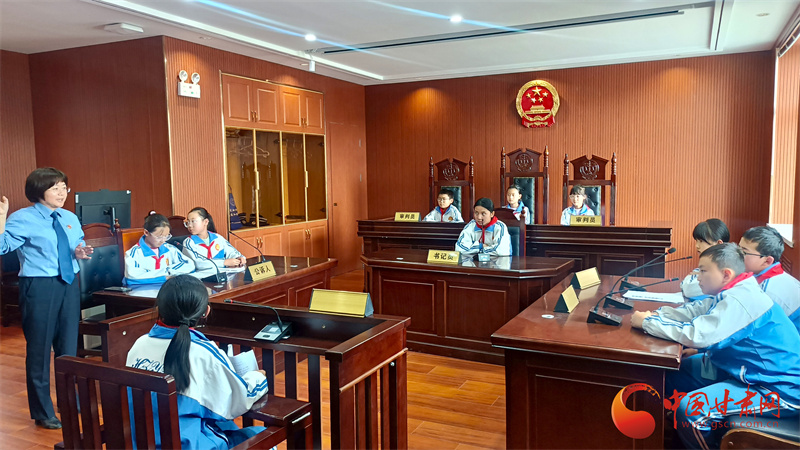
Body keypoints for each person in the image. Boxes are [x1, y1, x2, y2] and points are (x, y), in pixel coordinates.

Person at [630, 243, 800, 450]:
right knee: (671, 374)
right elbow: (695, 311)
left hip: (776, 390)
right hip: (746, 373)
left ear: (726, 274)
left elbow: (697, 335)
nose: (697, 277)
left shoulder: (742, 300)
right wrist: (656, 315)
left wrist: (647, 323)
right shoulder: (735, 290)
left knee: (691, 410)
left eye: (703, 271)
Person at [126, 275, 269, 449]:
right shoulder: (202, 351)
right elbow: (239, 399)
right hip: (187, 444)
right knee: (262, 435)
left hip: (141, 443)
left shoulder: (139, 344)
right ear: (205, 312)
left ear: (159, 309)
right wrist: (258, 377)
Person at [0, 168, 94, 429]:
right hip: (39, 286)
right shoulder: (22, 218)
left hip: (69, 283)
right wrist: (0, 219)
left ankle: (69, 400)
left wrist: (79, 251)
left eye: (64, 187)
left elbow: (75, 244)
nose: (62, 193)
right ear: (39, 191)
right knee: (39, 350)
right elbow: (2, 247)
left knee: (68, 347)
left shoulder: (69, 217)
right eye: (55, 188)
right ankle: (42, 411)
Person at [740, 225, 800, 332]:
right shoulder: (764, 277)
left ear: (767, 261)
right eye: (738, 249)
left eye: (744, 252)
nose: (736, 255)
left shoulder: (767, 293)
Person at [124, 213, 194, 285]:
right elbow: (132, 278)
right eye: (159, 237)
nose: (163, 240)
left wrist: (169, 270)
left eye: (166, 236)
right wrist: (165, 277)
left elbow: (189, 265)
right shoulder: (133, 254)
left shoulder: (169, 249)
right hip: (144, 290)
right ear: (146, 232)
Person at [182, 207, 246, 270]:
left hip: (223, 274)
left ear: (205, 222)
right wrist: (224, 263)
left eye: (193, 221)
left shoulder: (218, 238)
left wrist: (239, 258)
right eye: (188, 222)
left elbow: (232, 252)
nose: (189, 225)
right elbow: (199, 264)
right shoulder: (189, 243)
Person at [681, 218, 730, 301]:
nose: (697, 246)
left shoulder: (727, 269)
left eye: (701, 241)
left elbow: (688, 289)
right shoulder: (707, 264)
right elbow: (684, 284)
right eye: (696, 241)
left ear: (718, 243)